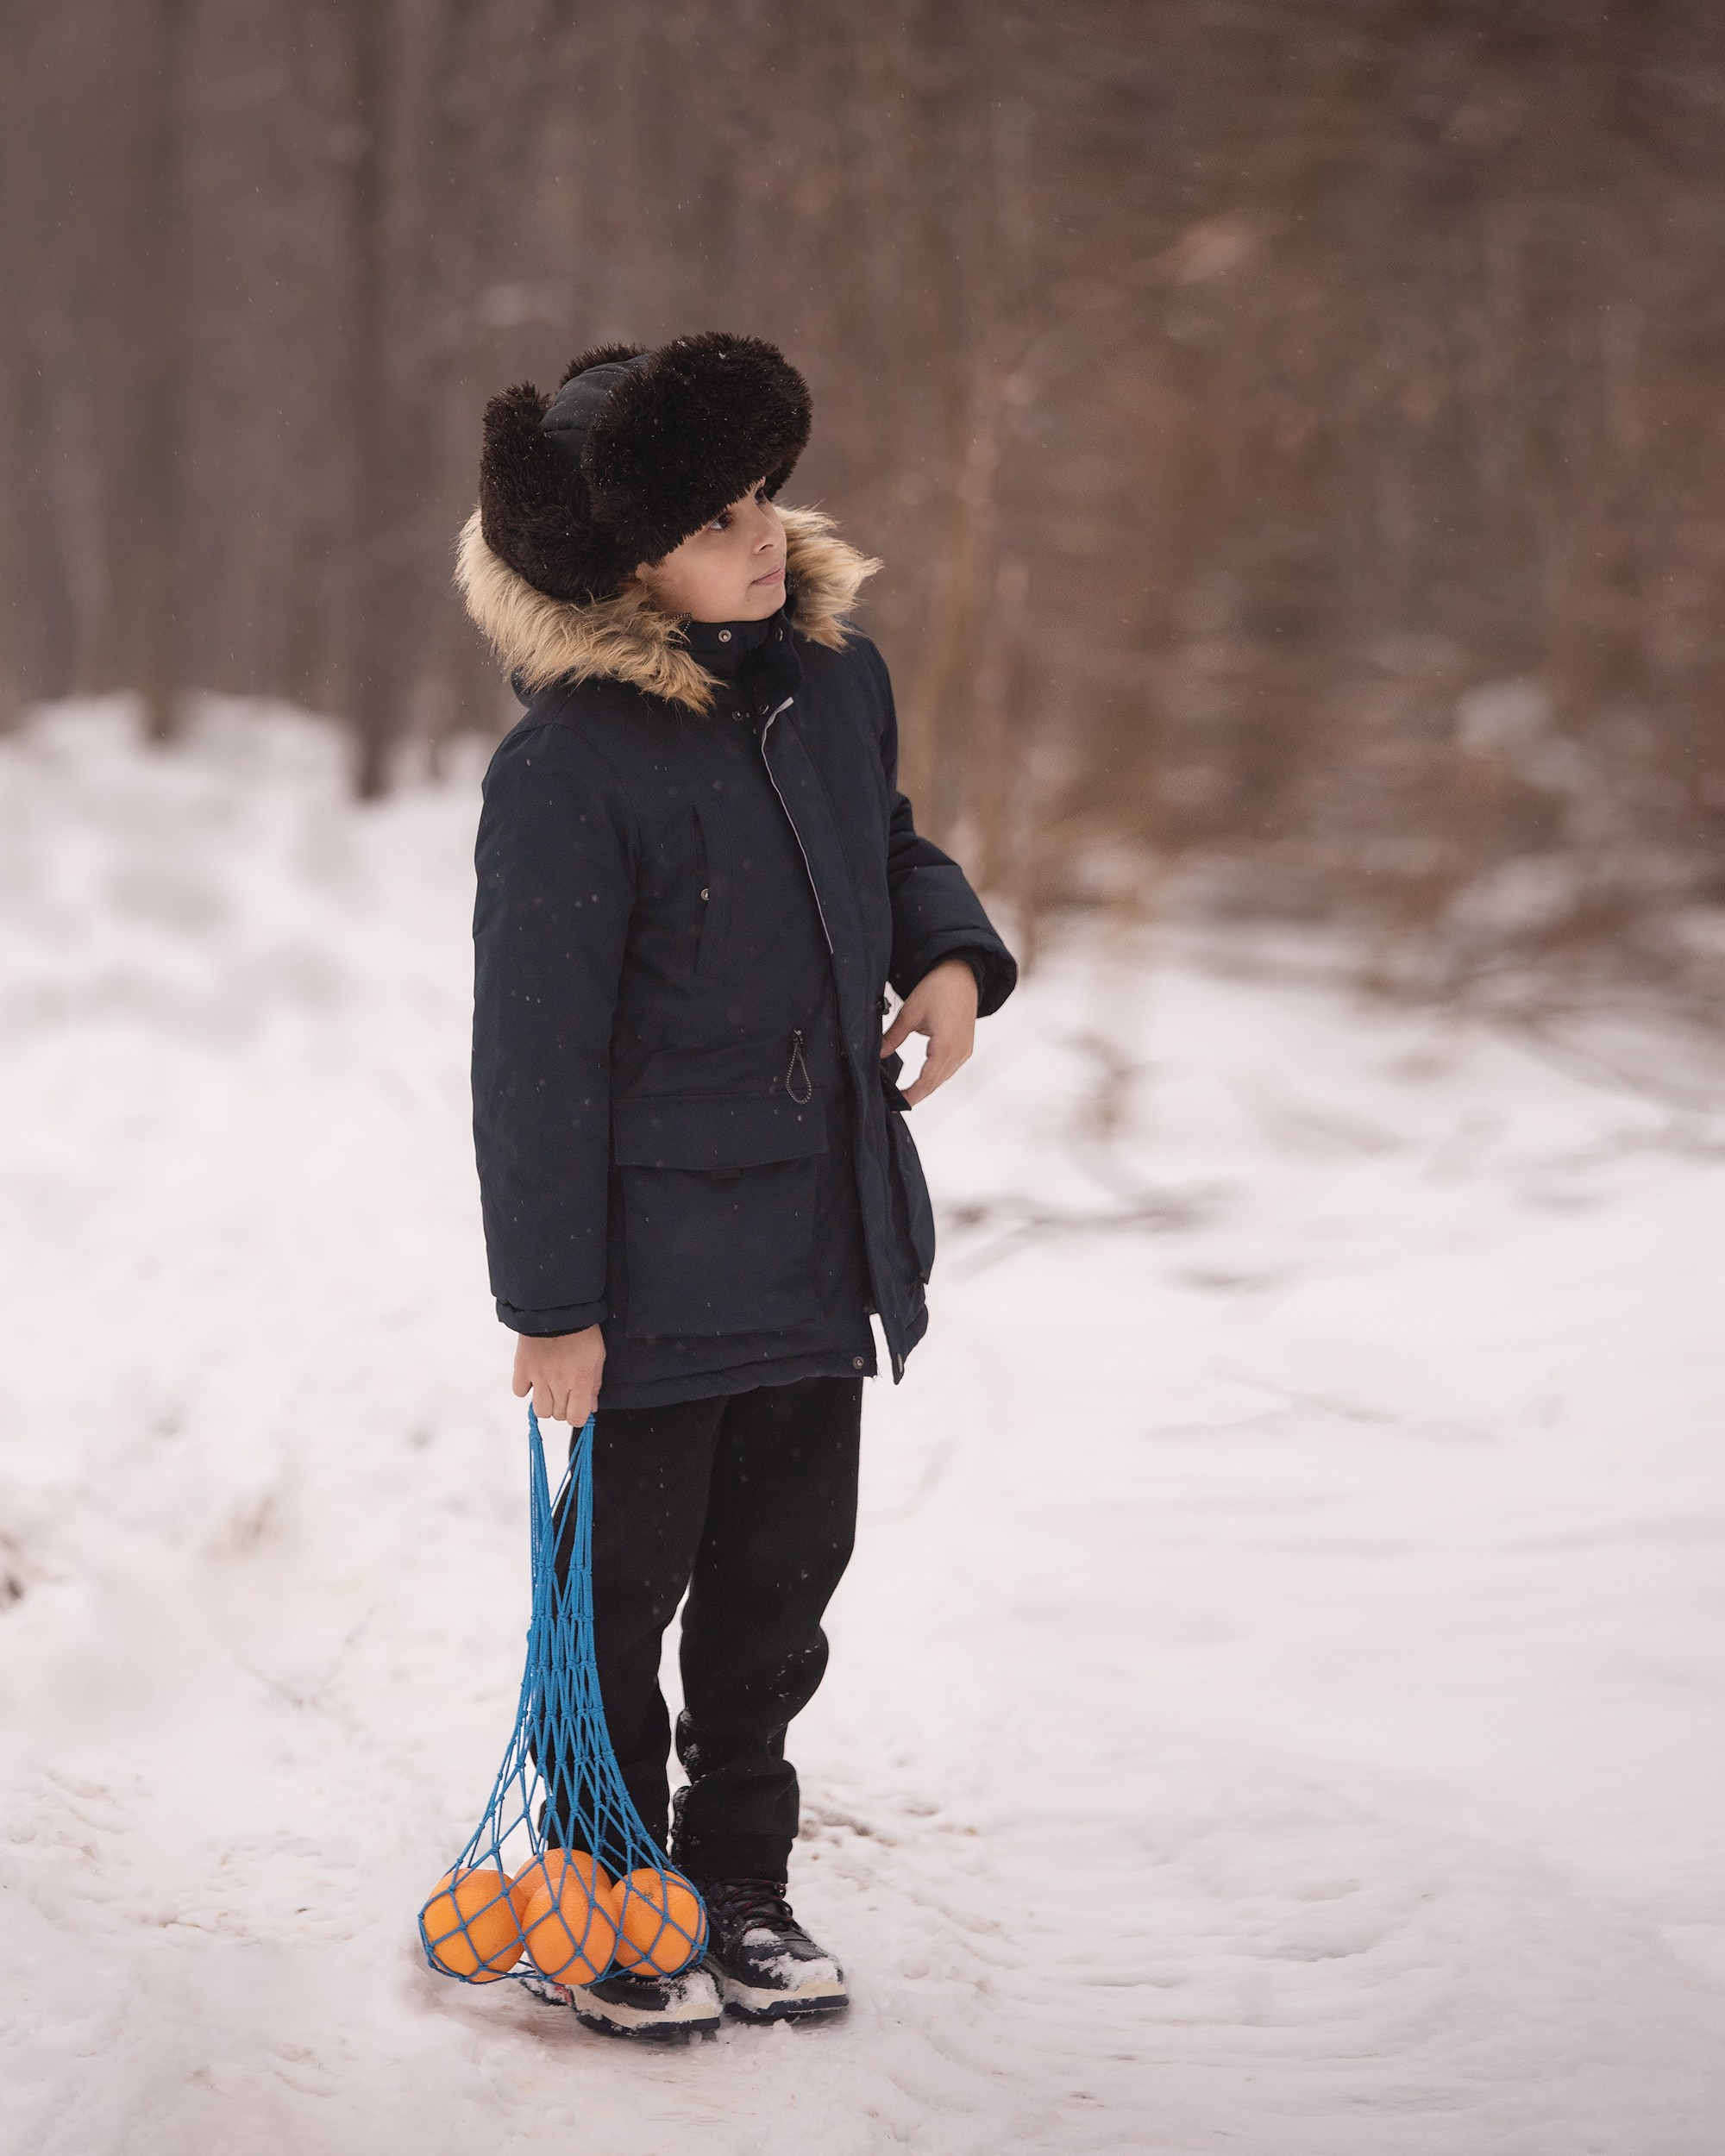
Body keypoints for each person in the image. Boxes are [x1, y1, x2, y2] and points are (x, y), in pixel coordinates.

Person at [458, 333, 1016, 2039]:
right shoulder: (571, 767)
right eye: (715, 519)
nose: (764, 532)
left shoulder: (832, 680)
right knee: (620, 1599)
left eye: (762, 494)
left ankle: (742, 1880)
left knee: (779, 1593)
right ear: (626, 561)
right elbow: (532, 1062)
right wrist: (554, 1306)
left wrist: (946, 956)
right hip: (650, 1274)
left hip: (818, 1229)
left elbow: (886, 841)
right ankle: (611, 1887)